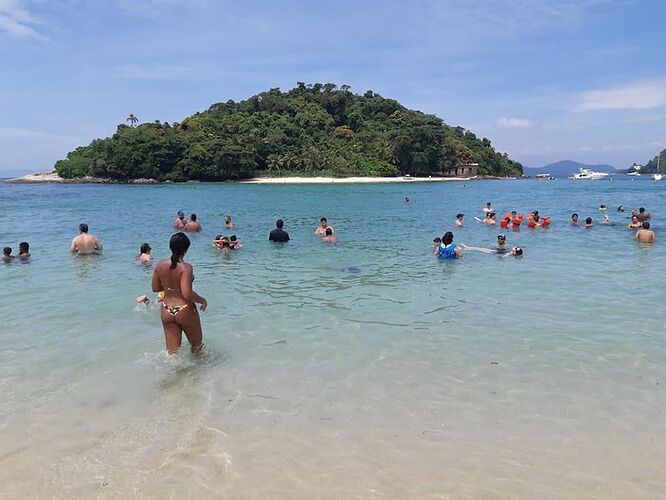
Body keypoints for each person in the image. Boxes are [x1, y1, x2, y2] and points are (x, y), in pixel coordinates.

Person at [151, 233, 207, 354]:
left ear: (170, 247)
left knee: (172, 353)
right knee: (197, 346)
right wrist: (203, 300)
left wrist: (170, 287)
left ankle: (173, 373)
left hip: (166, 309)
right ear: (186, 249)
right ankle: (199, 372)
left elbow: (155, 288)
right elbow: (187, 294)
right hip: (184, 308)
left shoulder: (160, 265)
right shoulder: (186, 268)